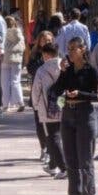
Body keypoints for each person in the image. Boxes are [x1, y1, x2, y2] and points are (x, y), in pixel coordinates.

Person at [49, 36, 98, 195]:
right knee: (70, 157)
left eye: (73, 48)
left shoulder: (90, 70)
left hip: (85, 113)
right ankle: (74, 194)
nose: (69, 52)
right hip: (68, 113)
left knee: (85, 158)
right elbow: (55, 90)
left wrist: (80, 94)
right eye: (68, 49)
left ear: (82, 49)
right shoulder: (68, 70)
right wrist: (61, 72)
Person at [31, 40, 66, 179]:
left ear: (46, 54)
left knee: (52, 136)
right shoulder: (65, 66)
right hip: (63, 104)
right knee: (59, 135)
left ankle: (63, 166)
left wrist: (35, 105)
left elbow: (36, 90)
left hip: (47, 107)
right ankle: (52, 164)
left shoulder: (42, 70)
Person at [27, 29, 57, 161]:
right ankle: (44, 148)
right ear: (39, 41)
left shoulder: (57, 55)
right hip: (39, 93)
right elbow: (30, 68)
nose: (47, 42)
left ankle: (52, 150)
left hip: (55, 94)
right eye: (44, 40)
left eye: (49, 40)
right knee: (40, 124)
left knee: (55, 124)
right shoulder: (35, 56)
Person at [0, 15, 26, 113]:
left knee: (4, 82)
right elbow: (23, 47)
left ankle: (6, 105)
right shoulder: (19, 33)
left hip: (5, 59)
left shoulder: (4, 32)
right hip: (16, 60)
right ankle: (20, 103)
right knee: (15, 81)